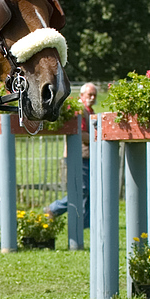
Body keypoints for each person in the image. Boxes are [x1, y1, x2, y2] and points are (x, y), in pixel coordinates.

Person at [46, 82, 97, 228]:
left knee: (88, 190)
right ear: (82, 95)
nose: (92, 97)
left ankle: (85, 223)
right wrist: (99, 137)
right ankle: (54, 209)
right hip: (78, 156)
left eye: (94, 95)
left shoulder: (89, 110)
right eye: (90, 94)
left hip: (86, 156)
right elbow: (80, 134)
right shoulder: (79, 110)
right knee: (81, 190)